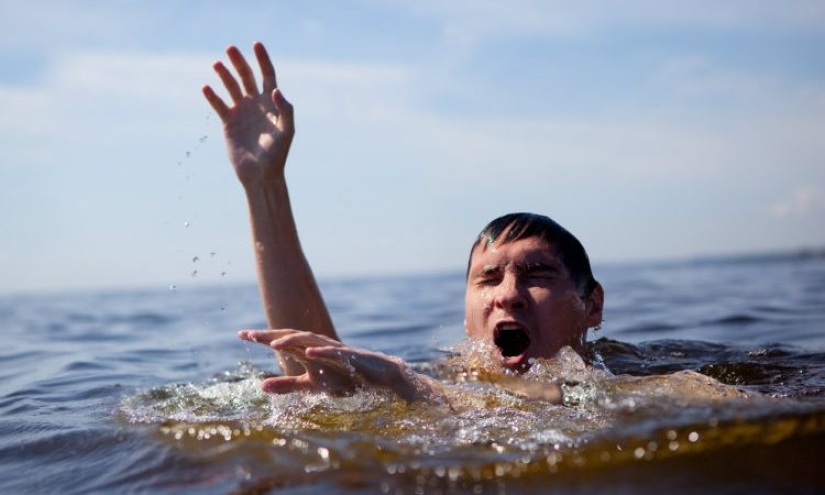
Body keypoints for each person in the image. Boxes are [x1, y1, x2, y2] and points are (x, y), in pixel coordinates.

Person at [202, 42, 604, 403]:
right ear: (467, 318)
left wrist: (409, 385)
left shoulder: (629, 380)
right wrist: (264, 186)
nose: (508, 294)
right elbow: (323, 371)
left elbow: (557, 403)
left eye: (537, 275)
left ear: (592, 305)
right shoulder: (448, 378)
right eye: (488, 278)